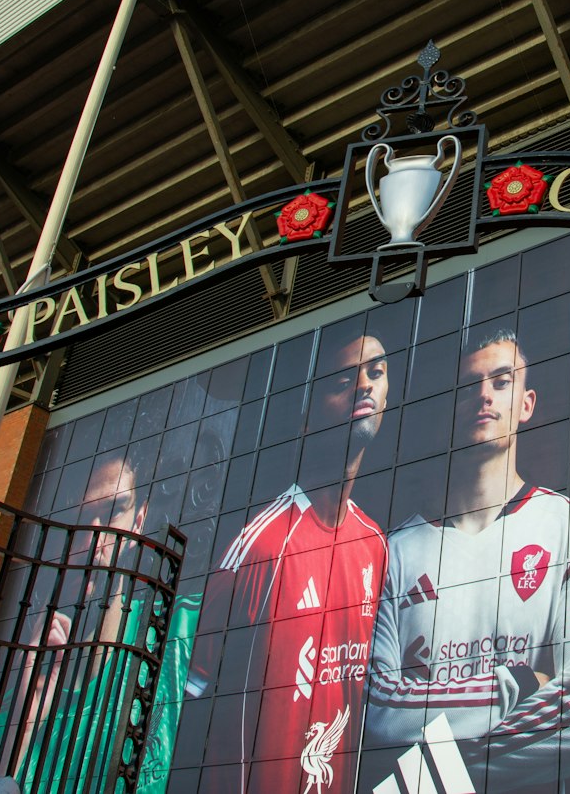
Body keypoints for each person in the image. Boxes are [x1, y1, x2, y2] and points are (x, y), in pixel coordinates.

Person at [365, 330, 570, 792]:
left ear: (526, 404)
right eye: (470, 385)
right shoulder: (392, 552)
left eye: (501, 381)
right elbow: (377, 714)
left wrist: (423, 779)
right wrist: (519, 682)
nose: (484, 395)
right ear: (452, 408)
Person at [187, 328, 393, 794]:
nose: (365, 385)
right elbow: (185, 698)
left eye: (376, 372)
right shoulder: (260, 546)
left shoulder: (375, 544)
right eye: (344, 380)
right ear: (306, 417)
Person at [0, 454, 196, 794]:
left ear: (138, 522)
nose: (94, 531)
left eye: (113, 510)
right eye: (81, 517)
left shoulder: (181, 633)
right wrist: (28, 711)